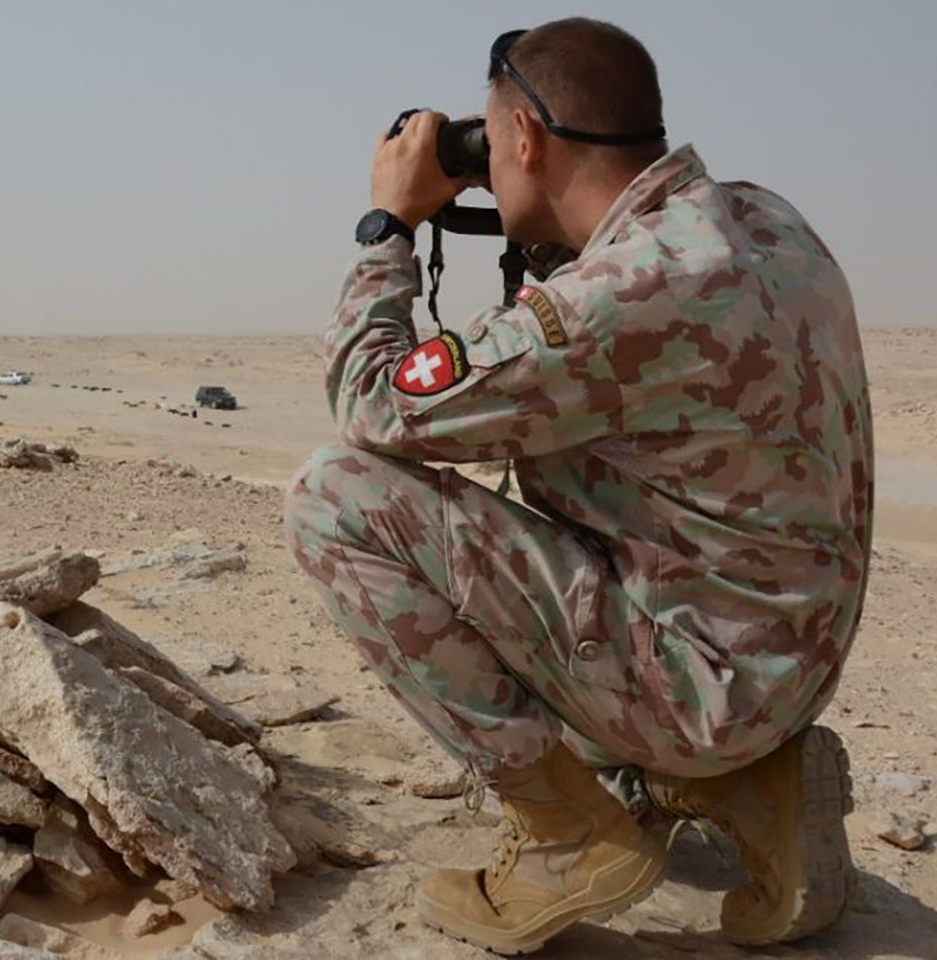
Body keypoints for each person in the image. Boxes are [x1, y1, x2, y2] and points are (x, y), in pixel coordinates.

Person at [283, 17, 871, 955]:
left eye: (490, 138)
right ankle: (747, 785)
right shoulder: (763, 220)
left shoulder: (619, 295)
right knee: (561, 572)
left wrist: (387, 224)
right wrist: (537, 213)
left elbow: (371, 402)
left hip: (700, 686)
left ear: (522, 138)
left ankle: (567, 835)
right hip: (781, 669)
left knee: (336, 496)